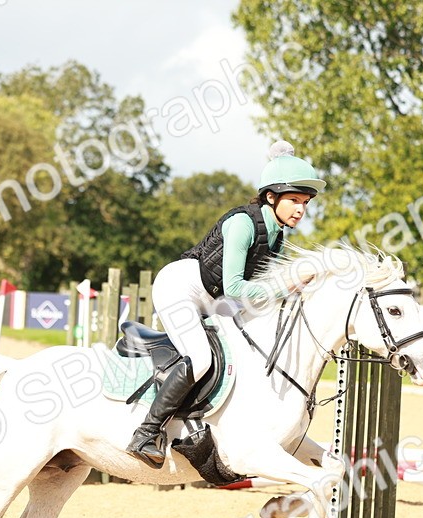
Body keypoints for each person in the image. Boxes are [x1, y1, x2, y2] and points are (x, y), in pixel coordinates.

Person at [126, 140, 327, 468]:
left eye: (305, 202)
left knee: (246, 353)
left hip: (214, 300)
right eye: (294, 200)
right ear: (271, 196)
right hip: (182, 289)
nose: (300, 209)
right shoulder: (243, 224)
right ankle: (147, 432)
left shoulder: (276, 235)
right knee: (201, 357)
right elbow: (236, 287)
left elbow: (258, 291)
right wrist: (285, 284)